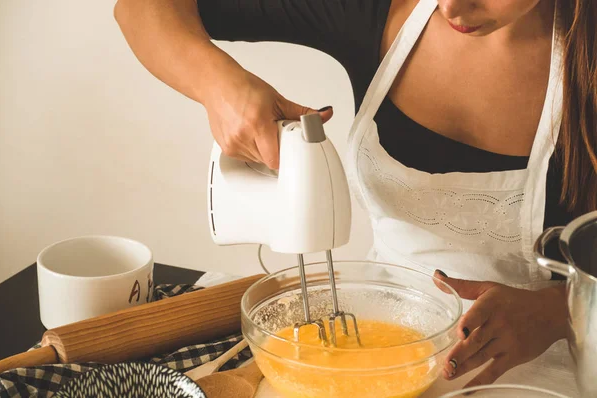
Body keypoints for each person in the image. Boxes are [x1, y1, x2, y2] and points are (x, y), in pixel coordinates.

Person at [114, 0, 595, 391]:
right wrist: (219, 85)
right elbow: (141, 9)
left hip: (555, 363)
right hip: (376, 352)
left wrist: (556, 312)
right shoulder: (382, 9)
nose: (452, 8)